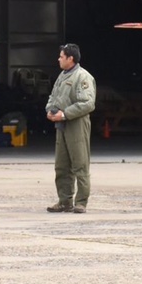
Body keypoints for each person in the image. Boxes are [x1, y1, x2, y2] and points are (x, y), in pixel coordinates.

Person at [45, 43, 98, 214]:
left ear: (70, 58)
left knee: (80, 163)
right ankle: (64, 201)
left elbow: (88, 103)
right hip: (62, 124)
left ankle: (81, 202)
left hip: (76, 124)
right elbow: (53, 96)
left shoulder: (83, 77)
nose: (58, 59)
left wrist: (65, 114)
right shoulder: (62, 76)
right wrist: (50, 110)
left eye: (61, 56)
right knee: (62, 165)